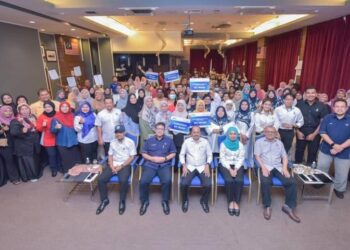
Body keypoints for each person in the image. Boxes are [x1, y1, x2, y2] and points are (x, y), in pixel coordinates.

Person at [254, 126, 300, 223]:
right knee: (265, 181)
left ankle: (288, 206)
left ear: (276, 134)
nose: (270, 133)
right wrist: (263, 167)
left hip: (278, 167)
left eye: (272, 132)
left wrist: (284, 168)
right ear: (265, 133)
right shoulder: (259, 142)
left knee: (291, 182)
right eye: (268, 132)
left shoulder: (279, 143)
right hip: (266, 166)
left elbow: (284, 157)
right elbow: (257, 156)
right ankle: (267, 206)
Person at [96, 125, 137, 215]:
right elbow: (110, 155)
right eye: (117, 133)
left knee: (123, 180)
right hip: (113, 164)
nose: (118, 134)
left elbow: (131, 157)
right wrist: (111, 166)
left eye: (120, 132)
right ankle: (104, 200)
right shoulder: (112, 142)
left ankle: (122, 201)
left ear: (124, 133)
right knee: (101, 179)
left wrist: (121, 166)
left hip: (125, 164)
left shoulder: (130, 142)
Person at [139, 122, 176, 216]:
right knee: (143, 181)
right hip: (150, 164)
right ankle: (144, 202)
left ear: (164, 131)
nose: (159, 130)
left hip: (164, 164)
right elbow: (143, 153)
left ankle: (165, 201)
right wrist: (152, 158)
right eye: (158, 129)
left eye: (161, 129)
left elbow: (173, 153)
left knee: (167, 181)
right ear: (155, 130)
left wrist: (165, 158)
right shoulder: (149, 140)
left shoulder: (169, 140)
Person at [316, 99, 350, 199]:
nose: (339, 108)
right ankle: (320, 182)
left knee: (342, 172)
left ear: (346, 108)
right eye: (337, 106)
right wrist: (333, 145)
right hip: (326, 148)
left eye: (342, 106)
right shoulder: (328, 118)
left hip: (345, 151)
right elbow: (322, 132)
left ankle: (339, 189)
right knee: (322, 167)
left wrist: (340, 147)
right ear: (333, 108)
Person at [179, 126, 212, 213]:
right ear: (191, 133)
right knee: (183, 183)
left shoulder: (205, 142)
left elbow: (209, 155)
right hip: (190, 166)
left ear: (200, 133)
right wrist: (183, 165)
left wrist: (207, 164)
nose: (196, 134)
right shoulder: (186, 142)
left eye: (198, 132)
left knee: (208, 184)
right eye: (194, 132)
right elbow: (181, 155)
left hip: (202, 166)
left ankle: (204, 201)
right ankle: (185, 201)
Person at [295, 86, 329, 164]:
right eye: (308, 93)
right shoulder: (299, 105)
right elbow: (295, 120)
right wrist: (297, 132)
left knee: (312, 154)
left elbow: (323, 122)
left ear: (316, 94)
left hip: (315, 132)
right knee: (299, 152)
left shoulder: (322, 106)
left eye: (313, 93)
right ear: (305, 94)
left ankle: (310, 172)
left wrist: (314, 134)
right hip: (301, 131)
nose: (310, 95)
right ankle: (297, 172)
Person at [10, 104, 40, 182]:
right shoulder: (15, 120)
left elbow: (32, 129)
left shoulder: (28, 119)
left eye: (26, 109)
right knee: (28, 162)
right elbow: (13, 132)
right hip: (23, 145)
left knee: (32, 161)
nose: (25, 110)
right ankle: (31, 177)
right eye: (22, 109)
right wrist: (21, 131)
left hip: (31, 144)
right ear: (19, 111)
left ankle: (34, 175)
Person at [219, 126, 245, 216]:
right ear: (228, 134)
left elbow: (241, 158)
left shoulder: (240, 144)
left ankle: (236, 202)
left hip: (237, 165)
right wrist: (230, 169)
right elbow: (222, 158)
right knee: (229, 180)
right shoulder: (223, 144)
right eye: (231, 133)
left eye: (234, 134)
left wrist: (236, 168)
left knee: (239, 180)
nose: (233, 135)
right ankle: (230, 201)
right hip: (225, 165)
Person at [51, 101, 81, 173]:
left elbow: (77, 127)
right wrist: (56, 128)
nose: (65, 108)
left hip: (73, 140)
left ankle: (75, 172)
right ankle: (67, 173)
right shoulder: (56, 118)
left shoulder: (73, 116)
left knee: (74, 158)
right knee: (65, 159)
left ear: (69, 107)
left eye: (66, 106)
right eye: (63, 106)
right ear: (60, 108)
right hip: (62, 141)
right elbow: (52, 130)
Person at [36, 101, 62, 176]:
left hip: (58, 137)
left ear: (53, 107)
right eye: (46, 107)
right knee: (51, 155)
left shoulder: (58, 114)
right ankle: (53, 169)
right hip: (48, 138)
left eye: (49, 106)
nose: (47, 108)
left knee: (59, 153)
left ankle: (60, 167)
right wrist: (43, 126)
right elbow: (38, 129)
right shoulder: (41, 116)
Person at [0, 105, 20, 184]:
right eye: (5, 111)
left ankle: (19, 175)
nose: (8, 112)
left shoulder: (14, 120)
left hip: (15, 142)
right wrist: (1, 131)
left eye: (10, 111)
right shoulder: (0, 121)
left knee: (16, 159)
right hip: (5, 145)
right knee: (9, 161)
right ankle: (14, 178)